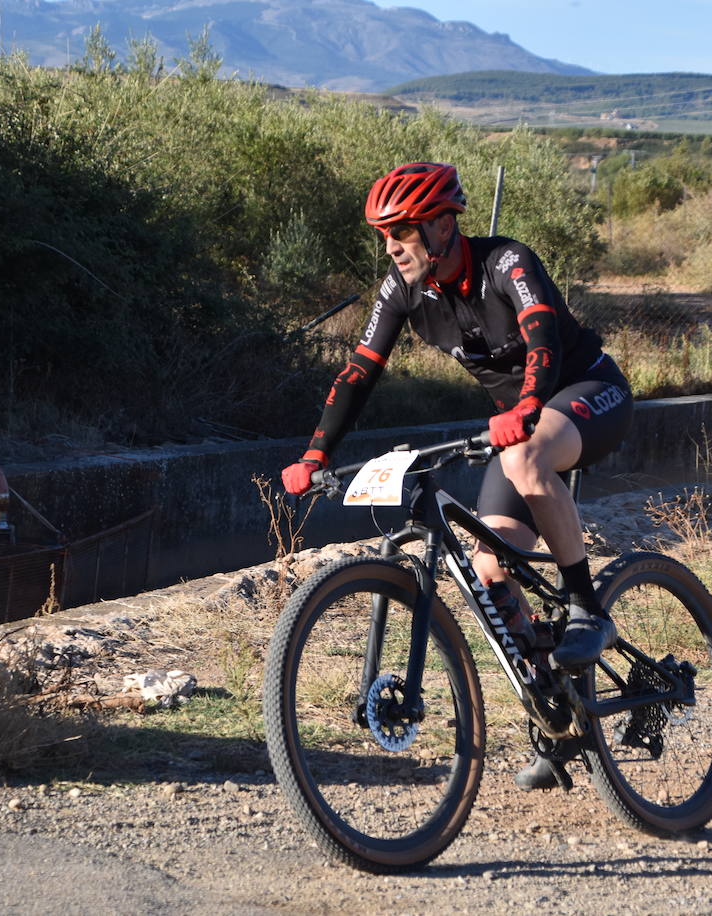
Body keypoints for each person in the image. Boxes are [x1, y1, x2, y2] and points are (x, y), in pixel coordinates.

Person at [280, 162, 634, 791]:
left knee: (524, 457)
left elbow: (544, 339)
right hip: (520, 419)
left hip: (584, 391)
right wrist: (314, 455)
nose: (392, 246)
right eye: (384, 234)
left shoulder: (507, 264)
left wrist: (527, 405)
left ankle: (586, 608)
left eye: (404, 231)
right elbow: (359, 372)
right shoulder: (402, 288)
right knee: (492, 573)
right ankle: (560, 715)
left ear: (443, 226)